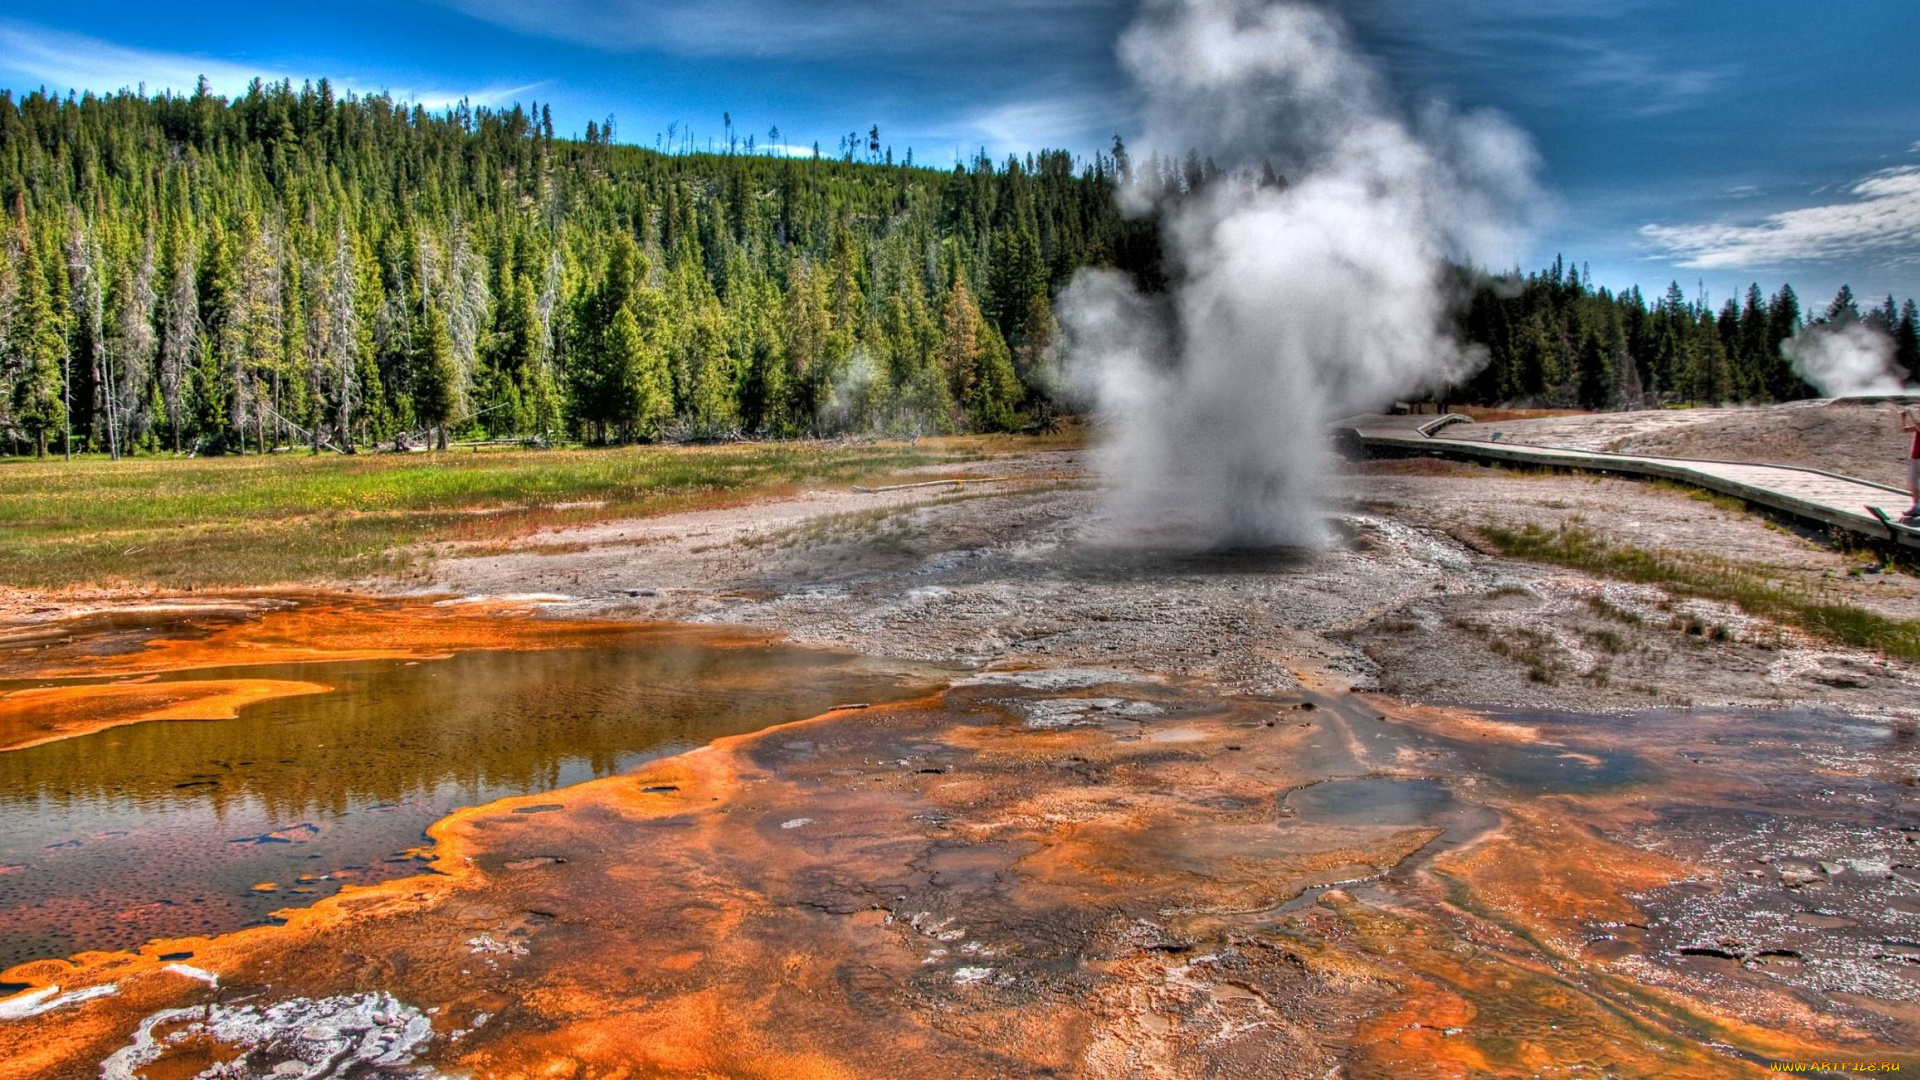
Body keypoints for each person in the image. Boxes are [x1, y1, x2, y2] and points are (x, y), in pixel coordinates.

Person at [1902, 404, 1920, 522]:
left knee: (1915, 483)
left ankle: (1917, 508)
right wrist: (1902, 418)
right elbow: (1903, 430)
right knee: (1913, 483)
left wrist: (1912, 415)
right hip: (1916, 456)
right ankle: (1915, 507)